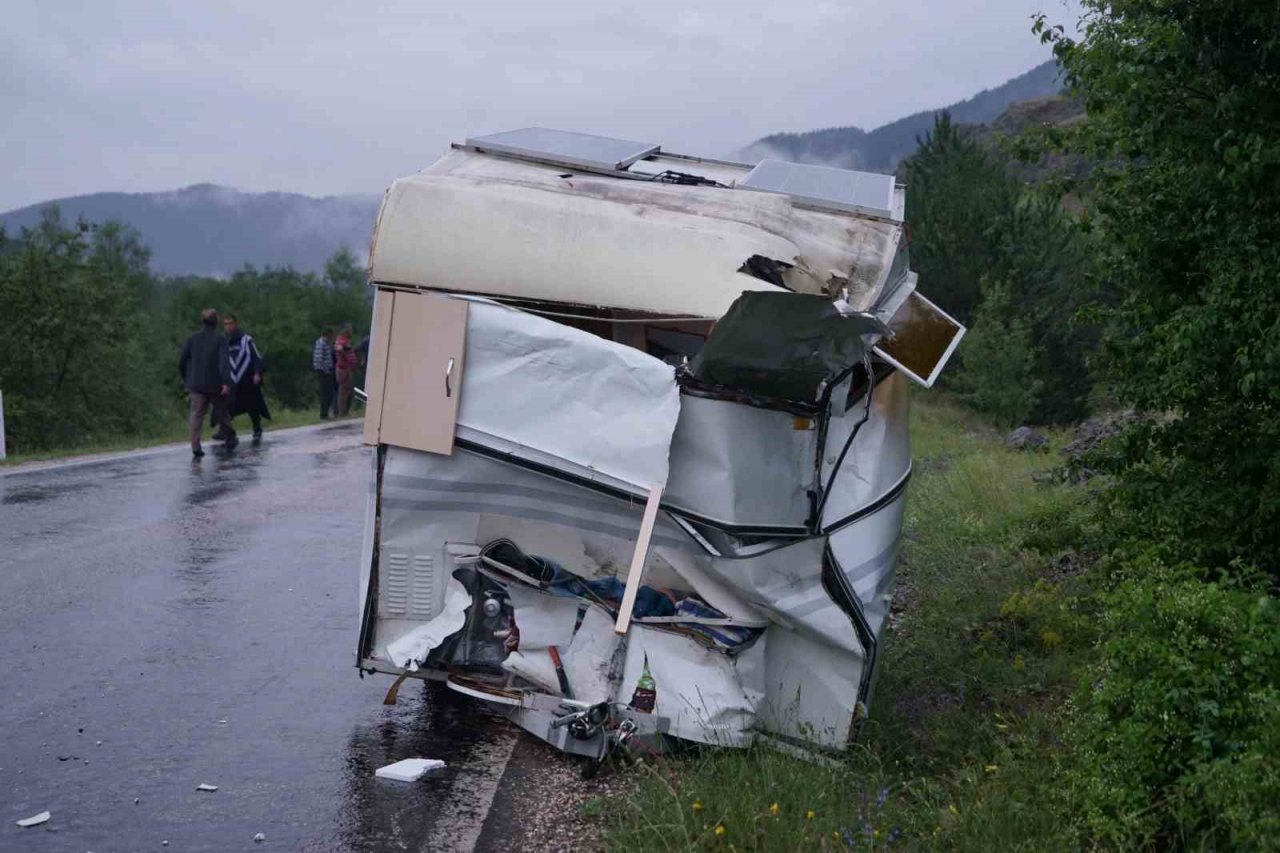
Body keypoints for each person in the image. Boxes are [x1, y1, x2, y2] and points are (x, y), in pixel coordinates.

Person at [178, 308, 235, 457]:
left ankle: (195, 446)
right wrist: (226, 382)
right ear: (216, 323)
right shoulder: (220, 339)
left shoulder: (192, 339)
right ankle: (230, 437)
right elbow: (224, 362)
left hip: (196, 384)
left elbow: (182, 361)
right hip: (215, 384)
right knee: (223, 412)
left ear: (202, 322)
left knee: (196, 415)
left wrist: (186, 379)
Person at [222, 313, 271, 440]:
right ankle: (227, 432)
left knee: (253, 406)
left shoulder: (246, 340)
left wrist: (257, 373)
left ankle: (257, 428)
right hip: (231, 381)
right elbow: (220, 362)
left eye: (230, 323)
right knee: (227, 407)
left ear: (235, 324)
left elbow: (256, 358)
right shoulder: (222, 342)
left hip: (247, 379)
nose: (228, 327)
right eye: (225, 324)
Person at [334, 322, 359, 416]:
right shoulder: (341, 339)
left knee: (347, 390)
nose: (351, 331)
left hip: (347, 368)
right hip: (343, 368)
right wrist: (347, 360)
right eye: (349, 329)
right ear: (345, 330)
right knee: (343, 391)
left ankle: (345, 411)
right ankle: (342, 412)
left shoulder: (346, 340)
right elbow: (339, 350)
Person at [313, 326, 337, 419]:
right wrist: (326, 371)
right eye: (331, 334)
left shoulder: (327, 343)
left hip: (327, 369)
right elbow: (319, 359)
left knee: (329, 393)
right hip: (323, 371)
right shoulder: (321, 343)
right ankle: (323, 414)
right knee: (326, 392)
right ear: (328, 334)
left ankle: (326, 413)